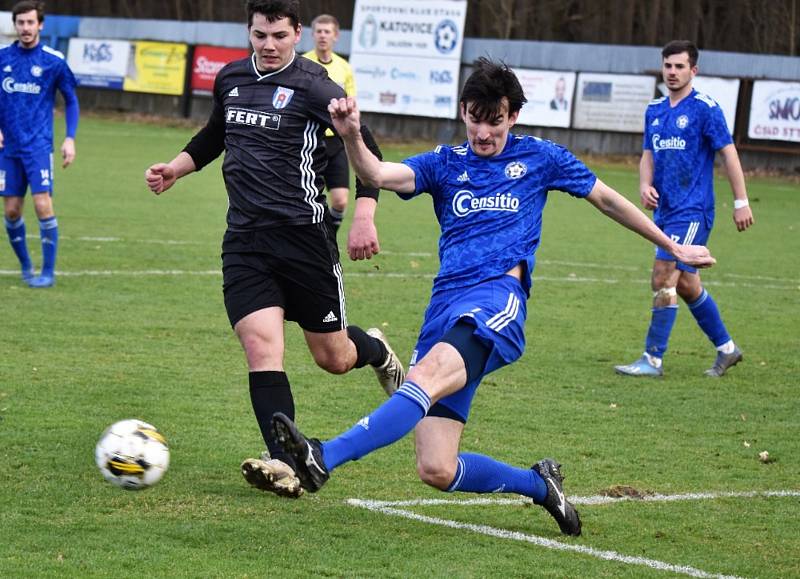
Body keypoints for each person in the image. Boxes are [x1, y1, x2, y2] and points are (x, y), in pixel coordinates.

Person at [268, 58, 715, 536]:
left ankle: (324, 454)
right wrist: (352, 135)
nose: (484, 133)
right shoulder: (444, 163)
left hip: (496, 300)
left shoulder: (541, 158)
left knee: (423, 375)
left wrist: (669, 245)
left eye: (495, 122)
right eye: (476, 119)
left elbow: (606, 199)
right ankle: (541, 486)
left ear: (513, 116)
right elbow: (377, 173)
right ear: (464, 111)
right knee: (436, 468)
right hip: (444, 307)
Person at [144, 0, 404, 499]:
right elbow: (216, 133)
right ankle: (284, 463)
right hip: (245, 239)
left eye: (279, 36)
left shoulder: (316, 87)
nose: (268, 45)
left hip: (304, 240)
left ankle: (374, 349)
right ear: (249, 31)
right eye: (260, 35)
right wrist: (176, 167)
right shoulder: (232, 78)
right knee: (261, 347)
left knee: (332, 357)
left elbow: (364, 143)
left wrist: (365, 213)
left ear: (297, 34)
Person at [614, 40, 754, 379]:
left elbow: (729, 154)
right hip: (665, 211)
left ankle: (652, 359)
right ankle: (727, 349)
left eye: (679, 66)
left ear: (694, 70)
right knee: (688, 284)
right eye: (668, 65)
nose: (672, 72)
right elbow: (648, 154)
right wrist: (644, 185)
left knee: (663, 276)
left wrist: (741, 202)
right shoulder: (655, 110)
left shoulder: (705, 108)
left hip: (693, 211)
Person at [0, 0, 79, 288]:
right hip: (7, 148)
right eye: (20, 22)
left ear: (40, 25)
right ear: (15, 25)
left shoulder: (53, 60)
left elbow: (71, 99)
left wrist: (69, 138)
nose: (25, 28)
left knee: (43, 205)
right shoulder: (1, 58)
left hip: (38, 146)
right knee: (11, 211)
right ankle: (25, 265)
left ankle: (47, 272)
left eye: (30, 22)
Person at [302, 14, 357, 234]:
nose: (323, 35)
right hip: (309, 141)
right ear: (312, 34)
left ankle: (328, 237)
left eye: (327, 32)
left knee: (341, 201)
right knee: (306, 200)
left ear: (336, 36)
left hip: (336, 142)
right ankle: (311, 241)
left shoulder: (344, 68)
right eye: (319, 31)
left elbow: (352, 104)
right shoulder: (302, 63)